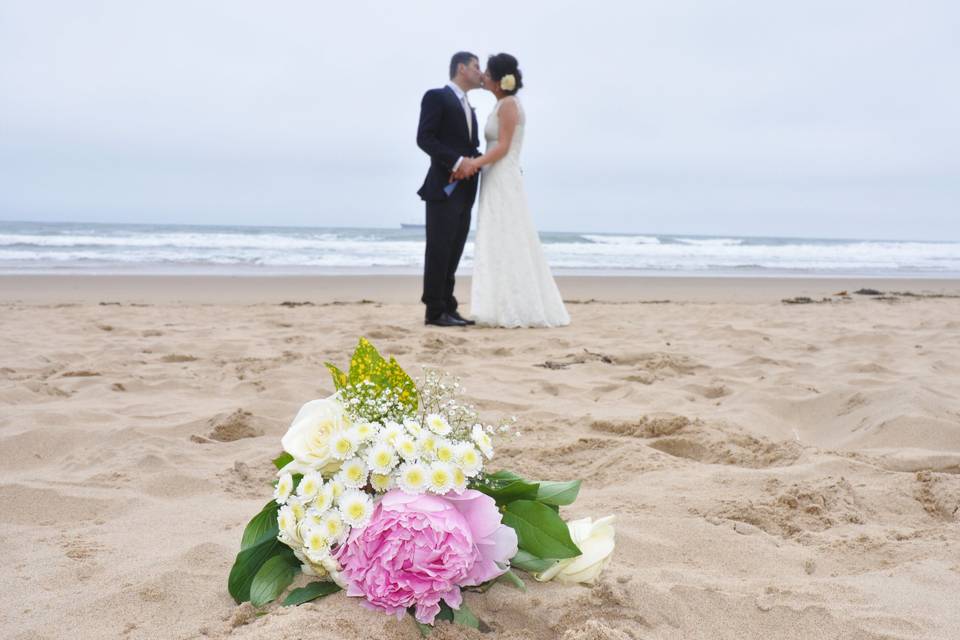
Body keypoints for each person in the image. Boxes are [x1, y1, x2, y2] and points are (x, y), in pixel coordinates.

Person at [460, 53, 570, 328]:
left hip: (502, 176)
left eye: (486, 72)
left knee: (508, 235)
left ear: (499, 80)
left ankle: (516, 305)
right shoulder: (501, 104)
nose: (482, 76)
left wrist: (474, 163)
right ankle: (497, 304)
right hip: (495, 175)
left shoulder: (509, 105)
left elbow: (503, 147)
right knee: (498, 235)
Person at [416, 51, 482, 327]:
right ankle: (434, 311)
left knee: (454, 248)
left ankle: (449, 305)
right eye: (477, 67)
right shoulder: (436, 96)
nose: (481, 73)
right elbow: (424, 138)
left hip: (467, 188)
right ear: (461, 68)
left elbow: (471, 146)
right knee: (439, 248)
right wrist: (456, 161)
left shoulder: (469, 106)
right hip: (444, 187)